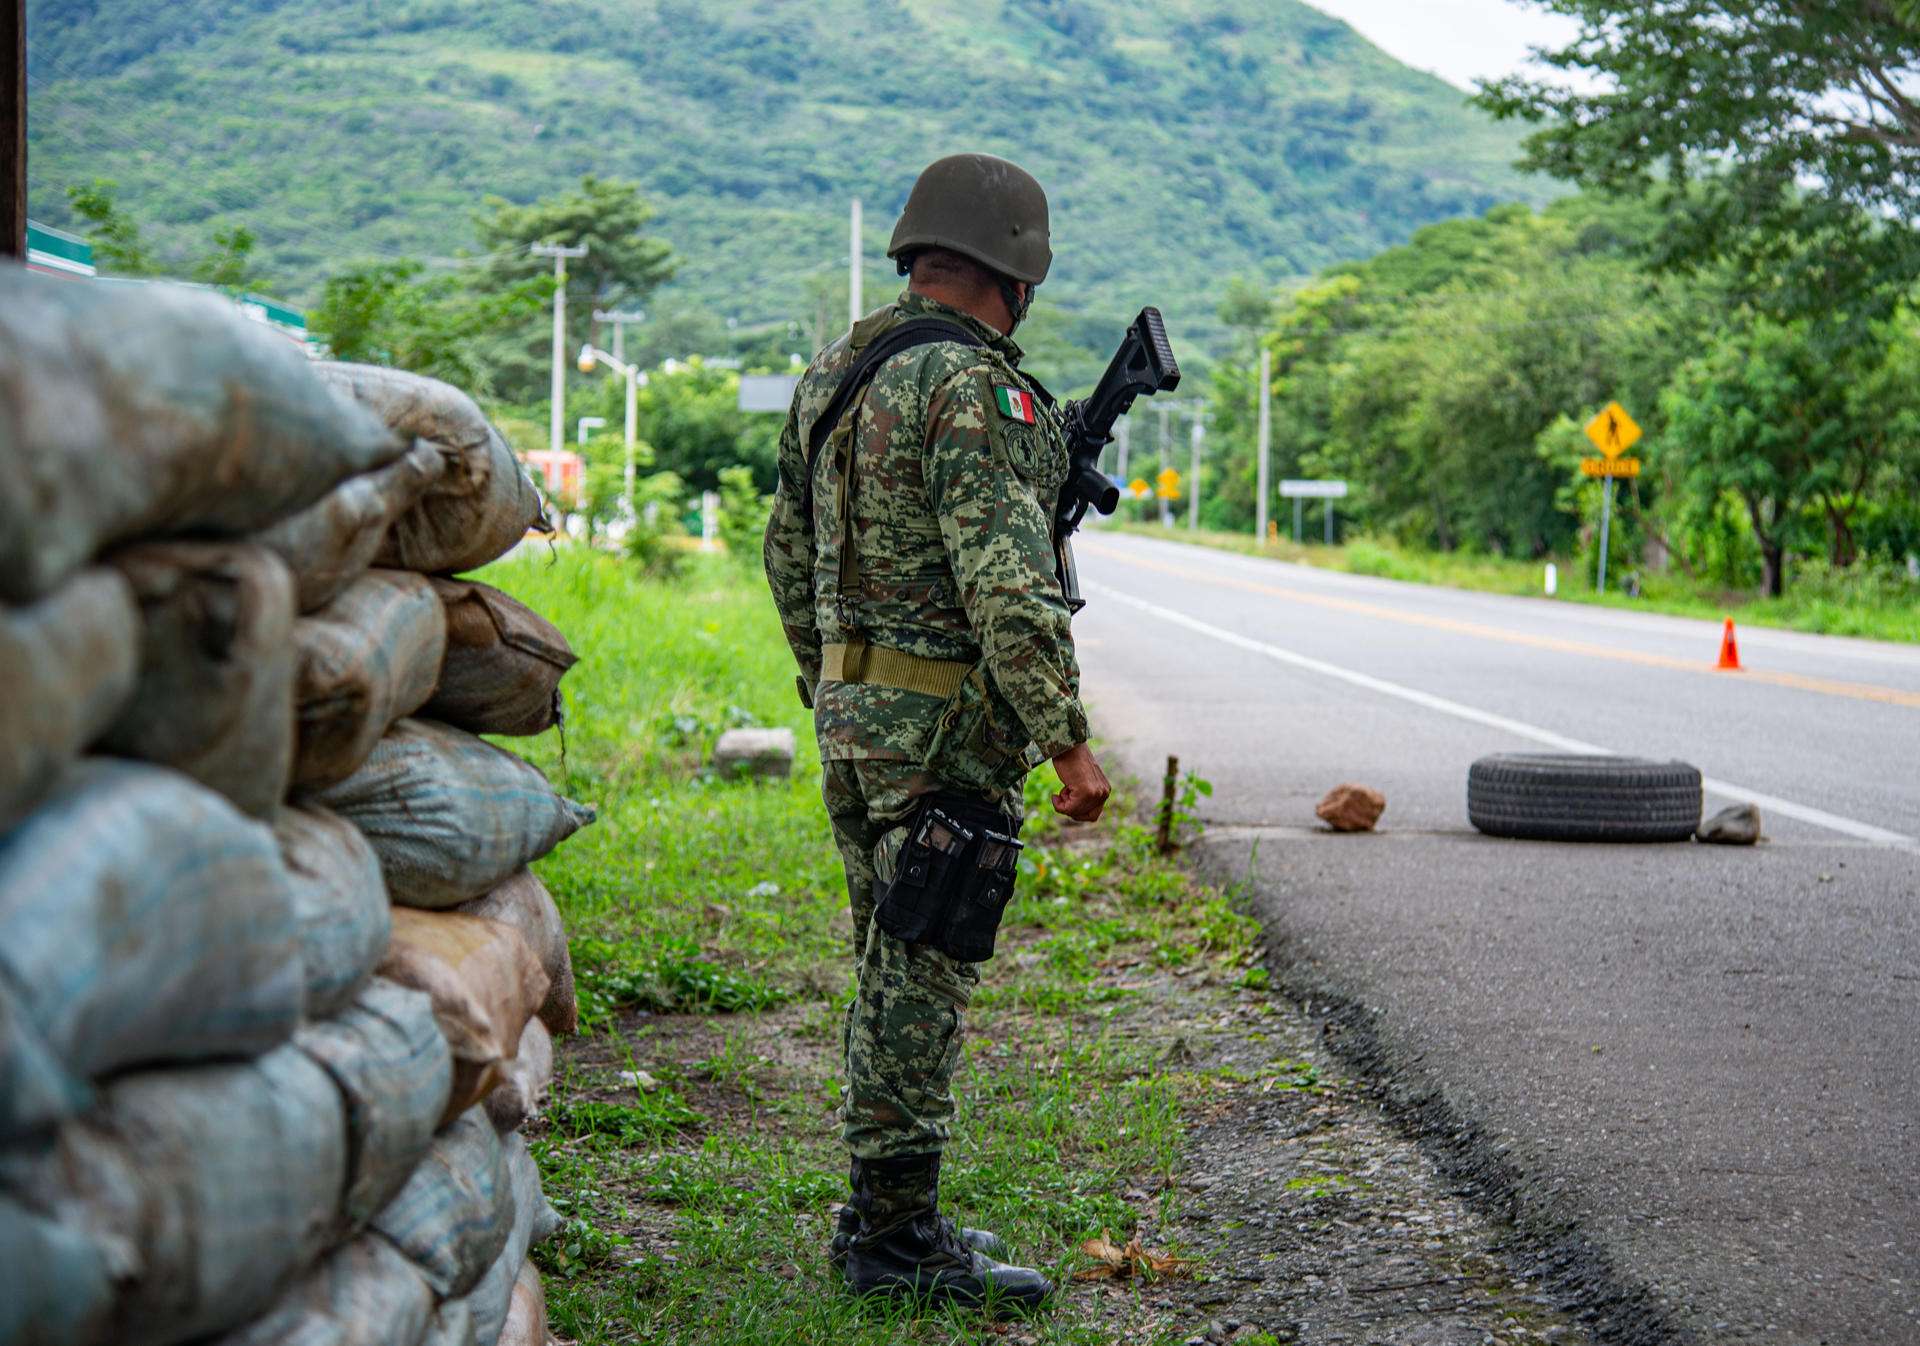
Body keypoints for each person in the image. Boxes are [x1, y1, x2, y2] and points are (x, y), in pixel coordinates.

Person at [762, 152, 1111, 1311]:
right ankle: (897, 1240)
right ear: (1016, 271)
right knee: (919, 980)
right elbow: (1008, 580)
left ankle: (881, 1212)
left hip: (856, 722)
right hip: (944, 738)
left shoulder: (836, 369)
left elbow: (784, 549)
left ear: (920, 250)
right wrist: (1065, 737)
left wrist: (831, 682)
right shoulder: (973, 386)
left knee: (888, 960)